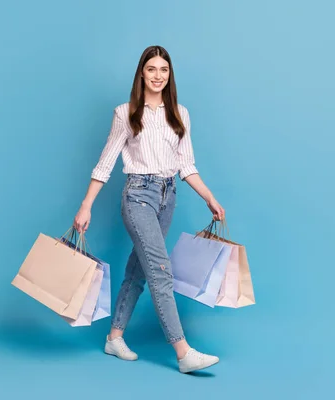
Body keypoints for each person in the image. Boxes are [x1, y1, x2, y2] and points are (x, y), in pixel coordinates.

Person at [72, 45, 225, 374]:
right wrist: (86, 205)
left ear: (170, 75)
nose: (158, 76)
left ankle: (114, 337)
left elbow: (186, 165)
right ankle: (183, 352)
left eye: (164, 70)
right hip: (138, 195)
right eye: (152, 69)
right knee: (160, 270)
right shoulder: (125, 112)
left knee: (138, 271)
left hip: (168, 196)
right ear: (141, 72)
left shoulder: (180, 113)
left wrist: (209, 197)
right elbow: (106, 162)